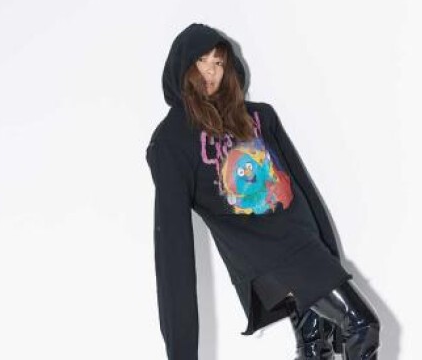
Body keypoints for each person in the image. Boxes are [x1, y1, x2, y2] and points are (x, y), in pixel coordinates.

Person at [145, 22, 381, 360]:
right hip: (266, 260)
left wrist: (328, 258)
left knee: (316, 348)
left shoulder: (258, 117)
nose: (211, 71)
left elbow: (303, 191)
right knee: (362, 326)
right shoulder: (171, 142)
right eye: (202, 61)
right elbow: (173, 248)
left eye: (219, 62)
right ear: (183, 66)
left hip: (304, 247)